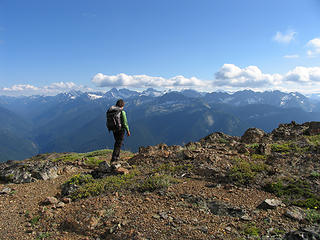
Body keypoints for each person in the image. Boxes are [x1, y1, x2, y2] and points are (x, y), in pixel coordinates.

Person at [107, 99, 130, 164]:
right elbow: (125, 122)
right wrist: (128, 130)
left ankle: (117, 157)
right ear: (122, 105)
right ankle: (114, 159)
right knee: (118, 144)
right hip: (120, 129)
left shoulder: (111, 110)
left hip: (113, 129)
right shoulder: (121, 111)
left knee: (117, 143)